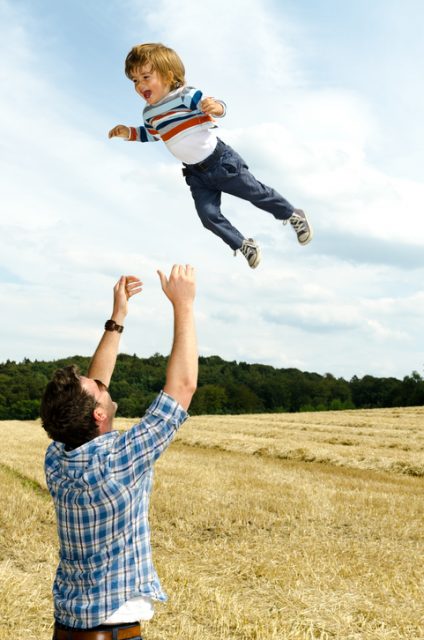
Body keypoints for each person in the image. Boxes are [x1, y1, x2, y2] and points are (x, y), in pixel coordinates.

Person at [40, 266, 197, 640]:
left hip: (68, 629)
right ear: (98, 415)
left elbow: (95, 389)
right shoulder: (119, 459)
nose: (101, 384)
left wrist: (118, 317)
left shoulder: (59, 456)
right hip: (114, 632)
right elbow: (183, 386)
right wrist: (184, 304)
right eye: (97, 389)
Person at [108, 42, 313, 269]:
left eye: (146, 77)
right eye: (135, 81)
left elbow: (218, 105)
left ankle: (292, 214)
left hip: (220, 162)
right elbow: (153, 134)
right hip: (196, 175)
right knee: (208, 216)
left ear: (167, 76)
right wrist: (129, 132)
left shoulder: (185, 95)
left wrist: (214, 107)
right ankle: (243, 244)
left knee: (255, 193)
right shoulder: (149, 113)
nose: (140, 85)